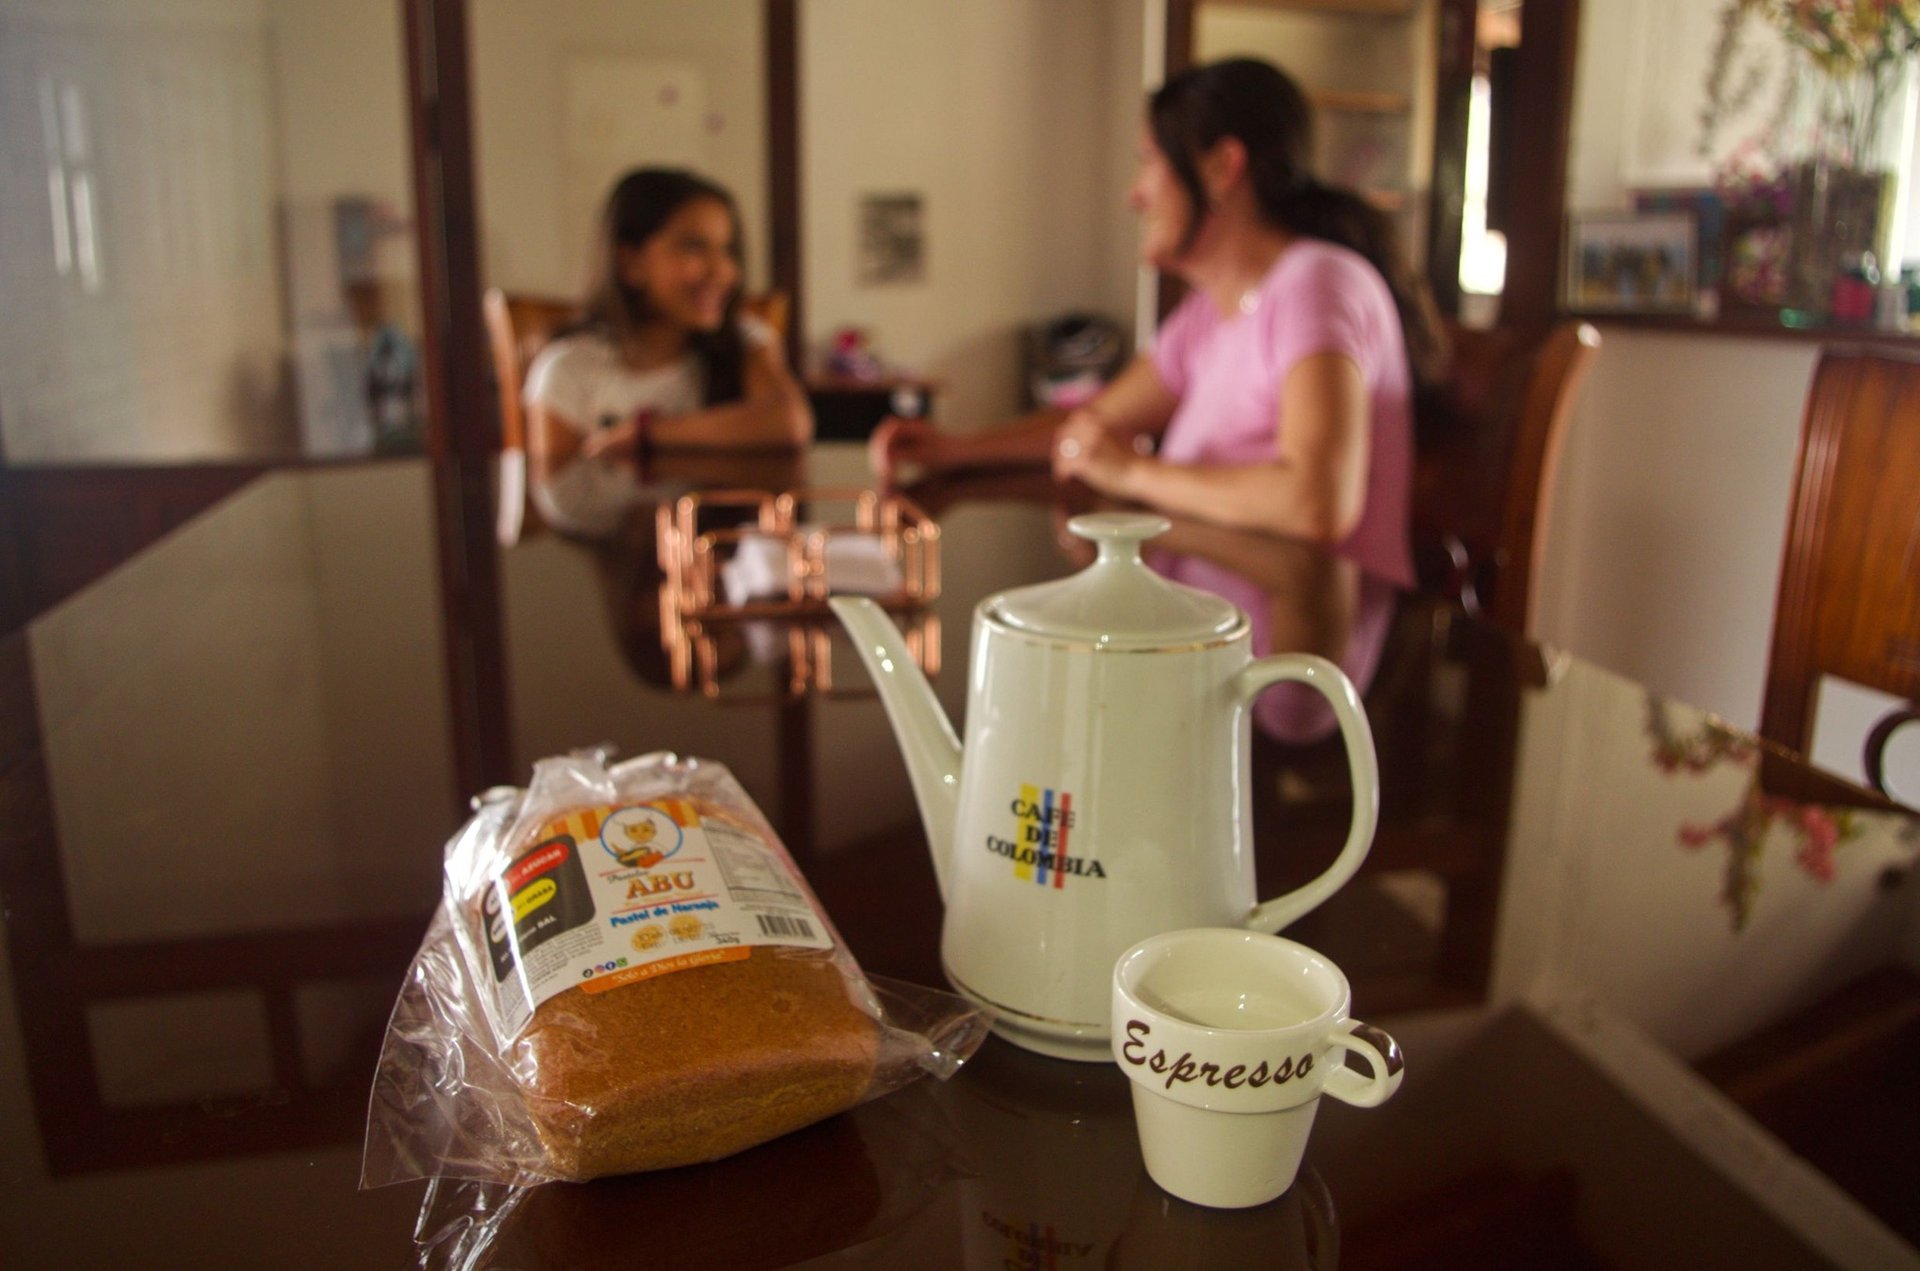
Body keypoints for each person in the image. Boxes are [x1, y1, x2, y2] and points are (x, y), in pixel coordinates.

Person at [869, 58, 1444, 586]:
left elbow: (1315, 503)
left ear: (1222, 166)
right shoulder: (1211, 312)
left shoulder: (1318, 284)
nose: (1134, 195)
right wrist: (954, 450)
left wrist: (1133, 474)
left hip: (1308, 662)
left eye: (1148, 164)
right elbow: (1092, 425)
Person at [525, 168, 812, 537]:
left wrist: (645, 436)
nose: (721, 269)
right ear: (631, 264)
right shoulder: (569, 369)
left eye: (727, 250)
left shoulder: (744, 341)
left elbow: (788, 423)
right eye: (694, 247)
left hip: (717, 540)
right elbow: (562, 494)